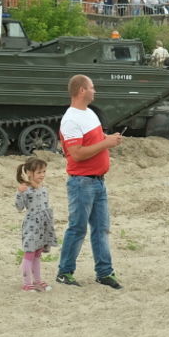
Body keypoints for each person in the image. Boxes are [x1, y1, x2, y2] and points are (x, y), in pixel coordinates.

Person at [56, 74, 123, 289]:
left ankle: (104, 272)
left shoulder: (90, 114)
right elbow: (77, 154)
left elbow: (96, 140)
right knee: (77, 228)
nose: (95, 91)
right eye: (92, 87)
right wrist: (107, 144)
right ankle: (64, 272)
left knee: (101, 228)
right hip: (82, 182)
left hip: (97, 181)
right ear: (82, 91)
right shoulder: (71, 119)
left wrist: (107, 138)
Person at [15, 157, 55, 292]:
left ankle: (37, 281)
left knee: (38, 254)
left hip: (43, 225)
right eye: (39, 172)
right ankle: (27, 283)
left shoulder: (44, 189)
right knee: (30, 253)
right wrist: (19, 193)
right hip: (31, 225)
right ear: (29, 173)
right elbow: (19, 207)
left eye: (44, 171)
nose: (42, 175)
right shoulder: (26, 190)